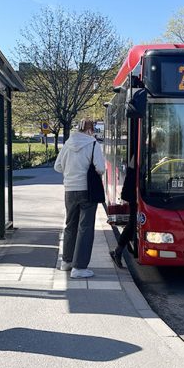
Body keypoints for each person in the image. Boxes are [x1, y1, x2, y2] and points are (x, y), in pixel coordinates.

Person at [54, 119, 105, 279]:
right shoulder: (93, 144)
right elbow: (101, 168)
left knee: (70, 225)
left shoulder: (68, 144)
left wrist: (70, 173)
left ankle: (66, 262)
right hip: (87, 190)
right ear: (91, 130)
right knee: (85, 227)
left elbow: (57, 166)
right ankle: (80, 267)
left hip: (69, 190)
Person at [109, 154, 136, 268]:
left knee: (132, 223)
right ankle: (118, 251)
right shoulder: (143, 151)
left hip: (133, 192)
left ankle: (118, 250)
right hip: (134, 193)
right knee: (132, 222)